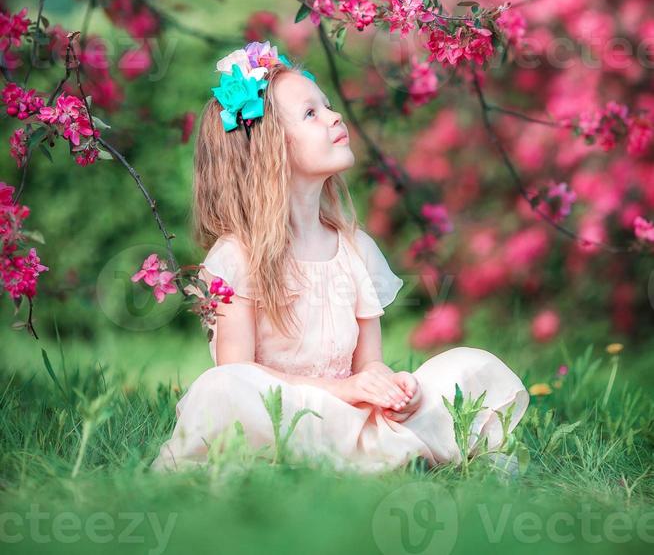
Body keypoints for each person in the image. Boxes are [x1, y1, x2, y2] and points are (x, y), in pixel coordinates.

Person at [151, 41, 529, 474]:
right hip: (283, 417)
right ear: (269, 149)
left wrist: (390, 388)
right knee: (222, 389)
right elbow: (239, 374)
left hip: (351, 416)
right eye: (311, 114)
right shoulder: (237, 257)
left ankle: (387, 447)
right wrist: (345, 391)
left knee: (466, 365)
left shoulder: (355, 250)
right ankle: (395, 455)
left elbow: (368, 364)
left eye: (328, 106)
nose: (335, 117)